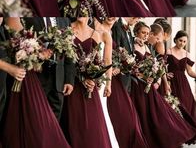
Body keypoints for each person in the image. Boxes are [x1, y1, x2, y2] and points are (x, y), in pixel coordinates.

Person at [1, 18, 71, 148]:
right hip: (11, 75)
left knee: (40, 125)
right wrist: (11, 68)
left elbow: (26, 42)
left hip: (25, 75)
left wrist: (39, 55)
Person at [131, 22, 196, 148]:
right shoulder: (134, 45)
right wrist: (147, 77)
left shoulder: (147, 47)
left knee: (160, 113)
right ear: (136, 33)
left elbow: (159, 66)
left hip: (153, 85)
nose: (146, 36)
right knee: (146, 114)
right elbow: (132, 66)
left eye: (147, 33)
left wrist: (159, 80)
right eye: (143, 33)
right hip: (138, 85)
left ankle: (170, 138)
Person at [95, 17, 149, 148]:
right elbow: (113, 53)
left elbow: (121, 53)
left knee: (127, 117)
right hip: (107, 75)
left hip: (118, 77)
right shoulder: (108, 28)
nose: (137, 19)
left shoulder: (126, 30)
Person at [61, 17, 112, 148]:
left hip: (89, 87)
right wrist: (79, 78)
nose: (81, 13)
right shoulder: (67, 29)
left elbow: (98, 61)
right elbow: (63, 59)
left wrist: (94, 79)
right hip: (70, 85)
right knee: (73, 123)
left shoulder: (95, 34)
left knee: (93, 126)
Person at [23, 17, 75, 120]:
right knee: (35, 118)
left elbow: (70, 52)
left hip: (58, 80)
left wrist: (69, 79)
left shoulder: (65, 20)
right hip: (36, 75)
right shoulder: (28, 17)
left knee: (55, 121)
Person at [167, 30, 196, 141]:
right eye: (180, 40)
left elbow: (190, 72)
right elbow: (162, 67)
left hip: (183, 85)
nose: (182, 43)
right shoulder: (168, 51)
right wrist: (165, 76)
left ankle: (185, 135)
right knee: (174, 108)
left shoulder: (187, 54)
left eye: (184, 41)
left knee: (186, 109)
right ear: (175, 39)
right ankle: (175, 135)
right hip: (170, 82)